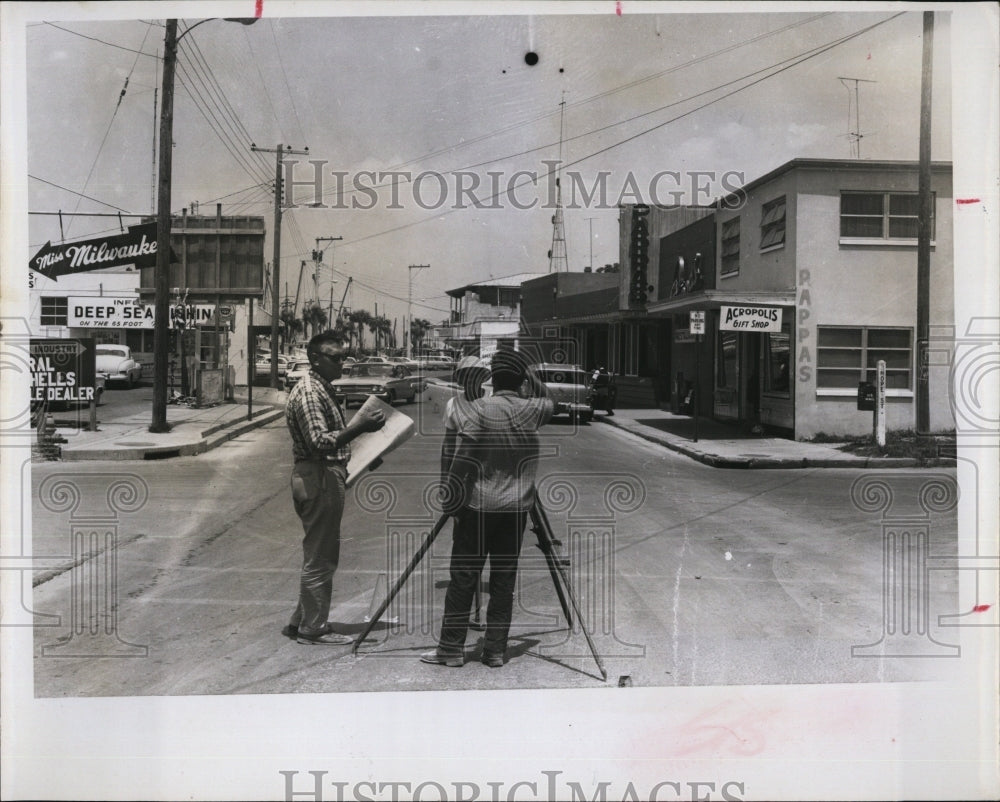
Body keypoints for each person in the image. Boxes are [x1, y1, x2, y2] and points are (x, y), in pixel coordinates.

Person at [422, 348, 555, 668]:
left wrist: (451, 496)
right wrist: (530, 375)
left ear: (492, 379)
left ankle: (451, 649)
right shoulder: (533, 409)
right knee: (503, 580)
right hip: (516, 510)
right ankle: (494, 650)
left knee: (464, 577)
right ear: (521, 379)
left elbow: (462, 459)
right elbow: (552, 400)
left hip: (479, 507)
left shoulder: (478, 410)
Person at [283, 331, 386, 645]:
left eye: (344, 355)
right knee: (322, 555)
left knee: (318, 551)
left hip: (322, 473)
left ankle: (301, 621)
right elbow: (318, 442)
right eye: (334, 356)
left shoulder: (319, 388)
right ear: (315, 358)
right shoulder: (311, 392)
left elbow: (330, 439)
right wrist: (361, 427)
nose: (342, 362)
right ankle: (313, 628)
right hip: (319, 475)